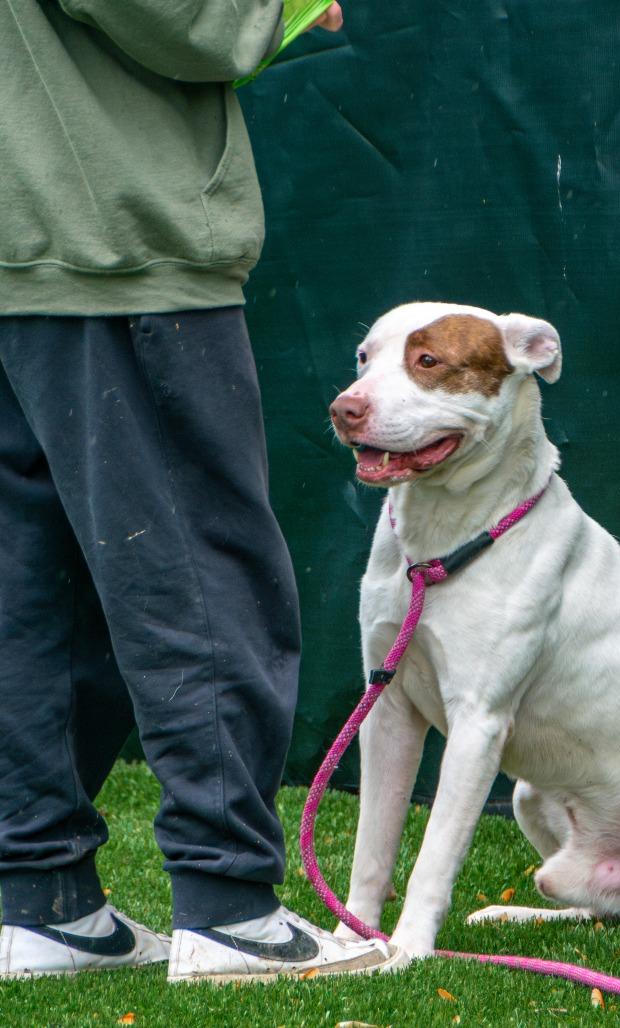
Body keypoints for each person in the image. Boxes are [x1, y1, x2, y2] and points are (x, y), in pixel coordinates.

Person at [0, 1, 398, 982]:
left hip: (26, 239)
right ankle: (229, 910)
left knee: (27, 584)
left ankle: (44, 902)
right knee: (195, 568)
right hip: (110, 235)